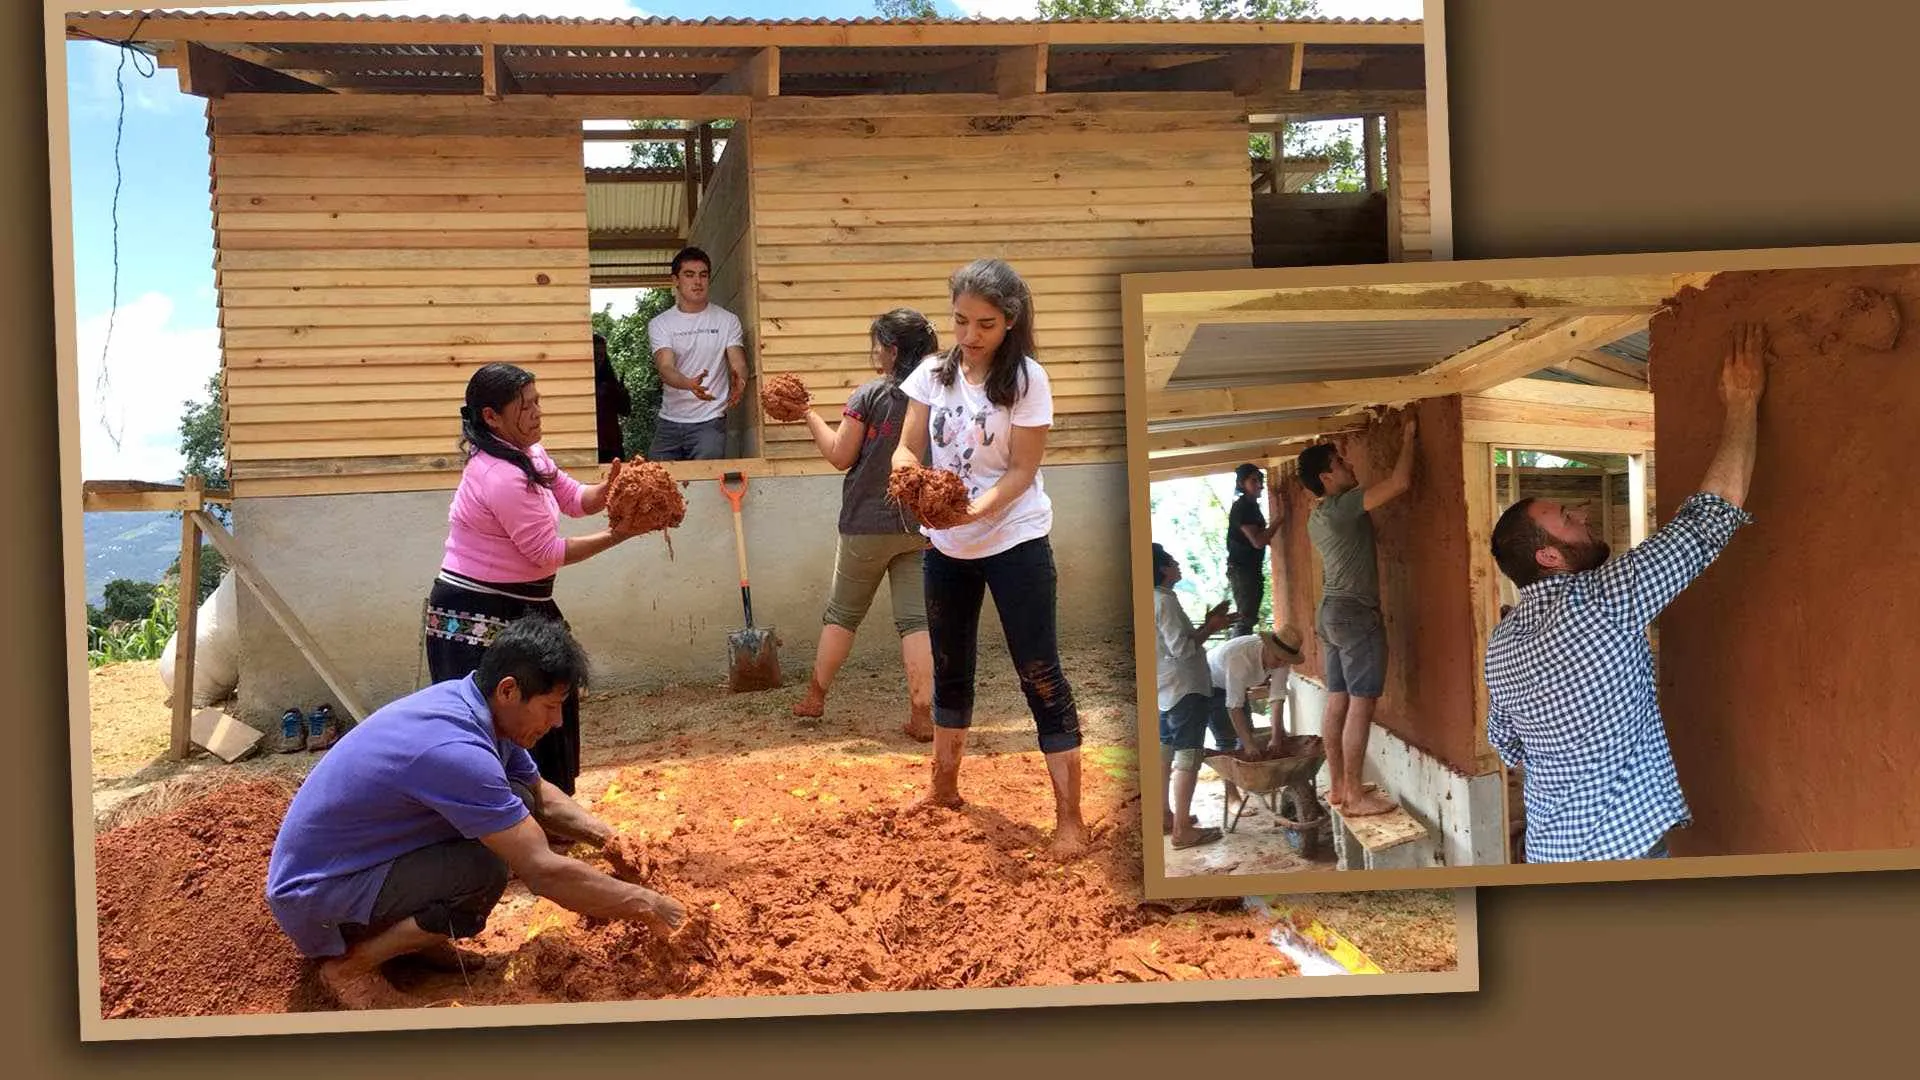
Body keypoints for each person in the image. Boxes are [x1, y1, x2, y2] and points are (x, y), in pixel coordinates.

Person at [266, 615, 688, 1011]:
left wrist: (610, 840)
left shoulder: (477, 709)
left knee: (518, 798)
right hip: (317, 897)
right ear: (508, 690)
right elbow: (541, 871)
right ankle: (351, 966)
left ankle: (417, 941)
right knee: (483, 869)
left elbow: (540, 794)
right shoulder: (456, 750)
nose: (557, 722)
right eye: (550, 706)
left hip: (353, 864)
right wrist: (647, 904)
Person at [1486, 323, 1768, 864]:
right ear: (1548, 557)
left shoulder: (1502, 642)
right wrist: (1742, 404)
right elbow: (1708, 522)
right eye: (1567, 518)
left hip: (1549, 852)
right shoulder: (1600, 603)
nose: (1583, 513)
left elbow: (1509, 745)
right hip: (1617, 857)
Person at [889, 257, 1089, 859]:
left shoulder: (1028, 380)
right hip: (947, 545)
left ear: (1010, 323)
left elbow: (1024, 471)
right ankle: (943, 789)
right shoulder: (931, 373)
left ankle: (1069, 819)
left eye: (985, 325)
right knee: (951, 666)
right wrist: (907, 479)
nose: (970, 337)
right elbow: (906, 446)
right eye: (960, 322)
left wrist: (974, 511)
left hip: (1015, 542)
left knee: (1039, 671)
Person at [424, 362, 644, 798]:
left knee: (548, 700)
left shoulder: (529, 454)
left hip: (523, 605)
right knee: (503, 718)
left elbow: (574, 499)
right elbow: (545, 553)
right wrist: (620, 535)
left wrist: (610, 489)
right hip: (476, 614)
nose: (538, 412)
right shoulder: (499, 474)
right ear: (492, 417)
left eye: (538, 401)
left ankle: (548, 811)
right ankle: (503, 820)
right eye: (526, 406)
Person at [782, 308, 940, 742]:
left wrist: (808, 414)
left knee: (843, 614)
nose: (874, 352)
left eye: (877, 344)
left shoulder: (869, 396)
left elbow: (840, 456)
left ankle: (815, 696)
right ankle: (922, 714)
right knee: (915, 622)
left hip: (864, 524)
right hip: (920, 526)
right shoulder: (941, 396)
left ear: (891, 350)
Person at [1294, 416, 1417, 818]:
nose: (1350, 465)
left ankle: (1339, 786)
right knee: (1362, 703)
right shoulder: (1343, 506)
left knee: (1338, 698)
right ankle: (1356, 797)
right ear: (1326, 477)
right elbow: (1399, 484)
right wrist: (1410, 436)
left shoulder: (1317, 515)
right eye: (1340, 462)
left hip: (1330, 613)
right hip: (1354, 615)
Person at [1152, 542, 1233, 849]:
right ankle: (1182, 830)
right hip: (1185, 687)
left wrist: (1208, 622)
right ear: (1162, 569)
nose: (1178, 565)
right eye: (1173, 561)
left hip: (1166, 688)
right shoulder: (1164, 602)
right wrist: (1211, 627)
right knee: (1189, 755)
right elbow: (1183, 648)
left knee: (1166, 748)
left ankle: (1165, 815)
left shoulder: (1156, 599)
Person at [646, 246, 749, 461]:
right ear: (675, 280)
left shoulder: (727, 320)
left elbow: (737, 361)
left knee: (708, 486)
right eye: (689, 275)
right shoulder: (661, 323)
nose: (698, 282)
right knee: (655, 486)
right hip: (669, 422)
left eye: (703, 275)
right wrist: (689, 384)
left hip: (709, 422)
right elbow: (666, 368)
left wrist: (740, 379)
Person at [1206, 624, 1307, 761]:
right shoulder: (1240, 659)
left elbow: (1277, 696)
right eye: (1278, 658)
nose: (1281, 663)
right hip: (1211, 683)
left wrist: (1276, 737)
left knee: (1247, 736)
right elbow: (1234, 707)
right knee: (1227, 741)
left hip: (1236, 682)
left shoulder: (1282, 659)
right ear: (1268, 647)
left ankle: (1247, 779)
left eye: (1285, 659)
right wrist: (1249, 745)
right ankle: (1231, 781)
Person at [1225, 463, 1283, 638]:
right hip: (1243, 570)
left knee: (1248, 618)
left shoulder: (1251, 506)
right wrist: (1279, 520)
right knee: (1246, 619)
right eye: (1254, 480)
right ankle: (1237, 655)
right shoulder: (1243, 508)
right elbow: (1258, 541)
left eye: (1260, 480)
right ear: (1242, 484)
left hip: (1248, 569)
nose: (1260, 485)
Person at [592, 332, 632, 464]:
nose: (598, 359)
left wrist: (621, 393)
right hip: (590, 441)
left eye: (601, 355)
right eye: (595, 355)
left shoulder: (609, 379)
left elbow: (626, 411)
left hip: (611, 444)